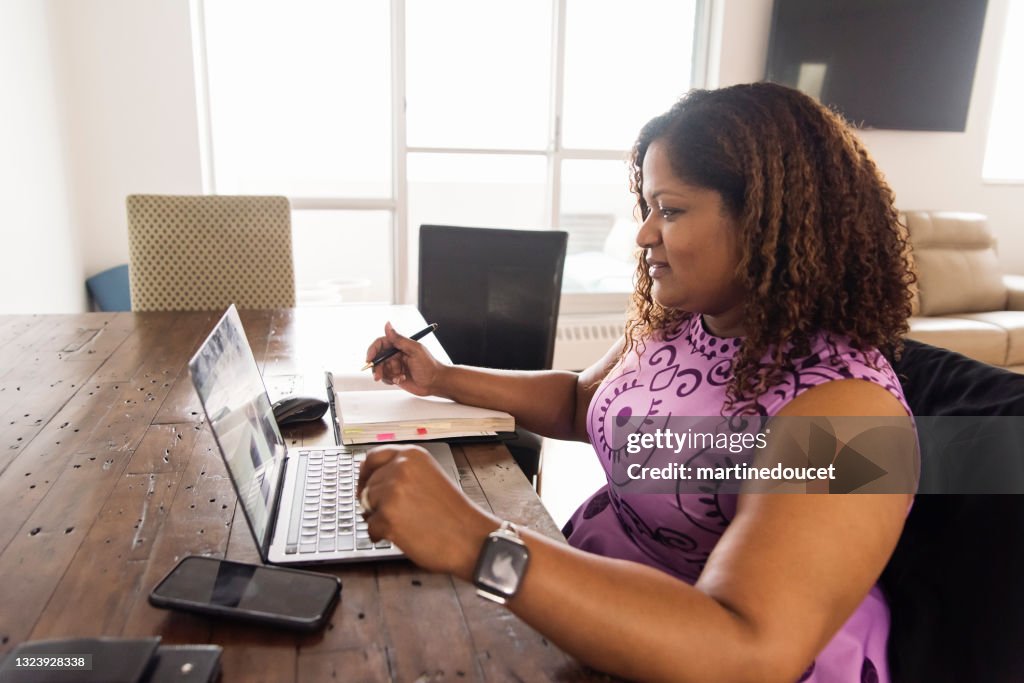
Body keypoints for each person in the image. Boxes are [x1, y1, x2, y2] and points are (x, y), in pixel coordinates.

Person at [357, 82, 917, 683]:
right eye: (647, 208)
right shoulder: (683, 321)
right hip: (592, 609)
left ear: (767, 221)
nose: (645, 234)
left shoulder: (852, 416)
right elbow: (579, 402)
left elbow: (746, 649)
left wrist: (478, 542)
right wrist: (443, 377)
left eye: (670, 210)